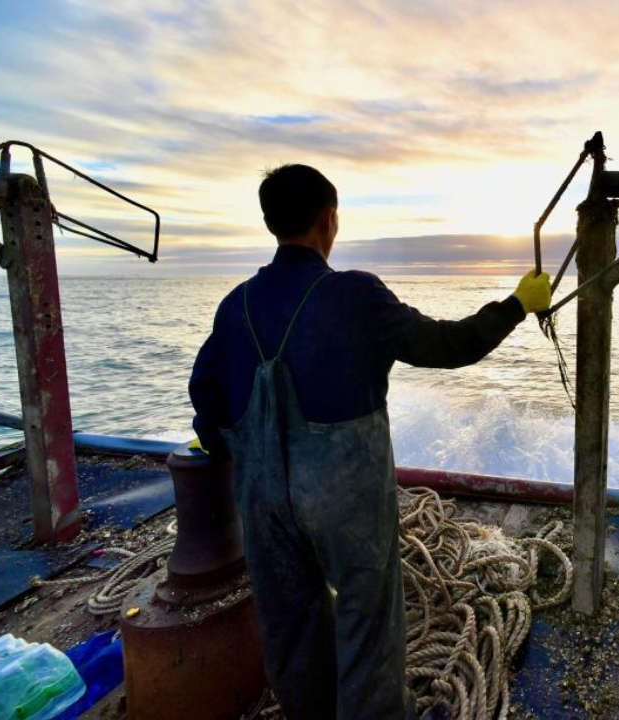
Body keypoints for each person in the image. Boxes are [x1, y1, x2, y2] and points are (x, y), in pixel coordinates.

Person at [188, 164, 551, 719]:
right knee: (367, 614)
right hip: (345, 498)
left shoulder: (234, 304)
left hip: (261, 500)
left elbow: (205, 397)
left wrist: (231, 453)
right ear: (328, 220)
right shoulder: (355, 293)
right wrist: (516, 305)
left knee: (290, 620)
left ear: (269, 222)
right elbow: (446, 345)